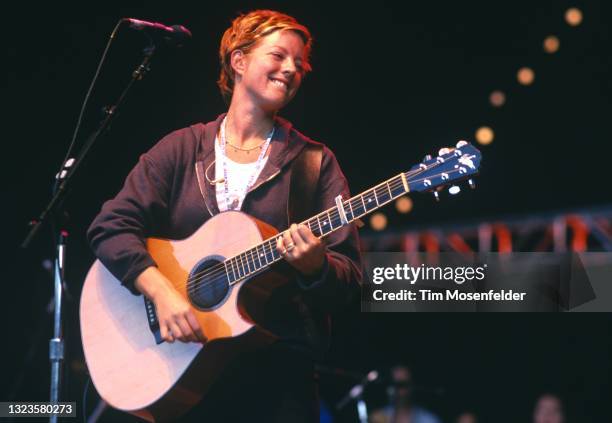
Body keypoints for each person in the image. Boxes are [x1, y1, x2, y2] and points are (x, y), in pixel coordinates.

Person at [87, 9, 362, 422]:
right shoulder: (183, 148)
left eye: (299, 64)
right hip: (184, 369)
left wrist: (316, 267)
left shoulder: (314, 164)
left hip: (276, 382)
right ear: (238, 60)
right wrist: (162, 292)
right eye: (279, 56)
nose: (292, 69)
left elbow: (350, 280)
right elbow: (110, 227)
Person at [369, 365, 441, 423]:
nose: (397, 390)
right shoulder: (379, 417)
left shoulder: (428, 420)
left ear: (412, 386)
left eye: (402, 385)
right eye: (393, 384)